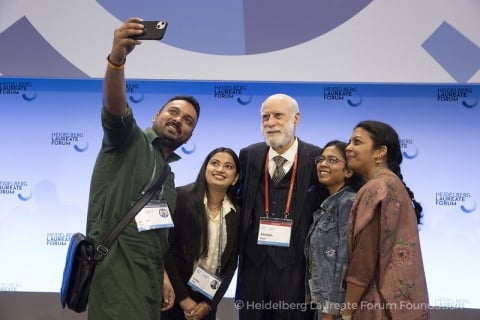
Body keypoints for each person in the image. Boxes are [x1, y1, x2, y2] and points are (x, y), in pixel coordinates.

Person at [85, 17, 201, 320]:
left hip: (149, 285)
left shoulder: (169, 176)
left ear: (190, 136)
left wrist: (162, 275)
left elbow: (155, 235)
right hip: (115, 280)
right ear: (155, 116)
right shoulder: (127, 140)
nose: (179, 120)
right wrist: (117, 59)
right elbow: (114, 106)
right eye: (173, 112)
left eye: (188, 121)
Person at [235, 93, 326, 320]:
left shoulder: (317, 158)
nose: (270, 122)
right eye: (265, 117)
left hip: (296, 272)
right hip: (252, 272)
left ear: (296, 118)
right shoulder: (249, 155)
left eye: (277, 115)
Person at [341, 120, 430, 320]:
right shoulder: (393, 184)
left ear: (380, 152)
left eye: (357, 142)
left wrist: (347, 312)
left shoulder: (376, 189)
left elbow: (364, 259)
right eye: (349, 142)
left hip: (377, 307)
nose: (348, 148)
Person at [162, 147, 241, 320]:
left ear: (235, 178)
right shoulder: (181, 198)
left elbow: (231, 264)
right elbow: (166, 249)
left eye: (228, 166)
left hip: (206, 304)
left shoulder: (236, 213)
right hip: (173, 298)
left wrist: (210, 304)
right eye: (215, 163)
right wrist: (183, 298)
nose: (220, 169)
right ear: (205, 169)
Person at [305, 140, 365, 320]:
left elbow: (344, 260)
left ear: (348, 171)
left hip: (336, 309)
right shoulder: (325, 205)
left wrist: (330, 310)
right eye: (321, 159)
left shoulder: (348, 202)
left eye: (332, 160)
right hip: (322, 303)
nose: (323, 164)